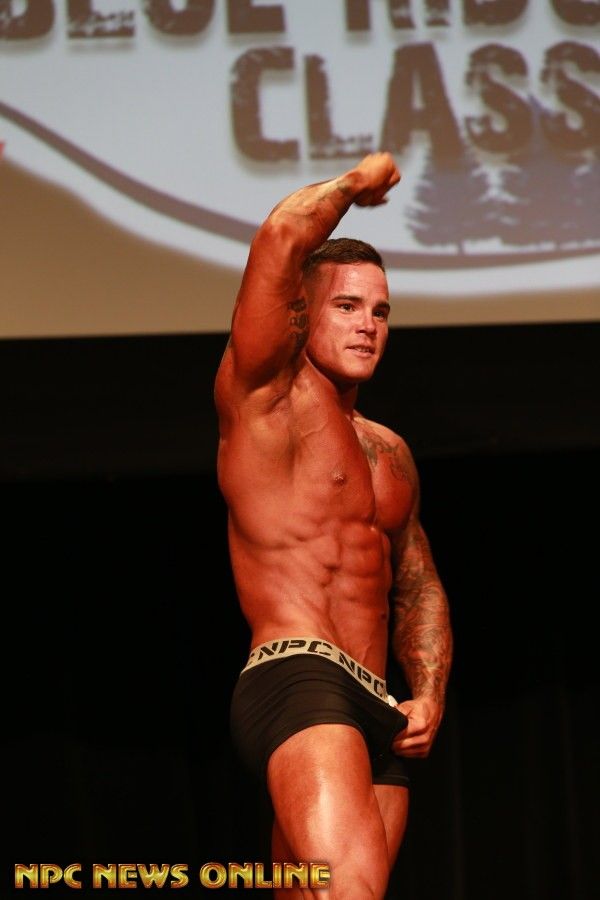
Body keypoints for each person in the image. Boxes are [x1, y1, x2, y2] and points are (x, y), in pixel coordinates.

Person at [214, 152, 452, 899]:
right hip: (301, 676)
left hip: (380, 707)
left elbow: (417, 583)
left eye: (380, 311)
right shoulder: (263, 399)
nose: (368, 325)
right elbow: (280, 237)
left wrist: (429, 693)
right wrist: (352, 185)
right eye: (347, 306)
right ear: (301, 313)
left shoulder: (390, 451)